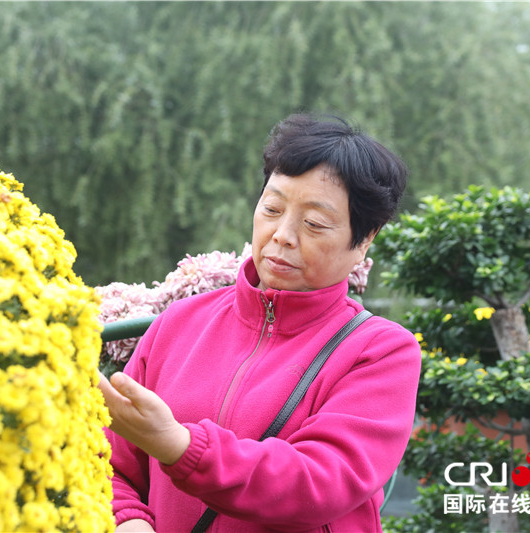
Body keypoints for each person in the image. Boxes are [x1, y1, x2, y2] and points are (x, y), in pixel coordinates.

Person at [98, 113, 421, 533]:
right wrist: (128, 521)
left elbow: (319, 482)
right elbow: (108, 460)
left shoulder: (380, 351)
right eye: (272, 208)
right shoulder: (179, 323)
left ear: (364, 240)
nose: (283, 234)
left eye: (314, 224)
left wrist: (179, 446)